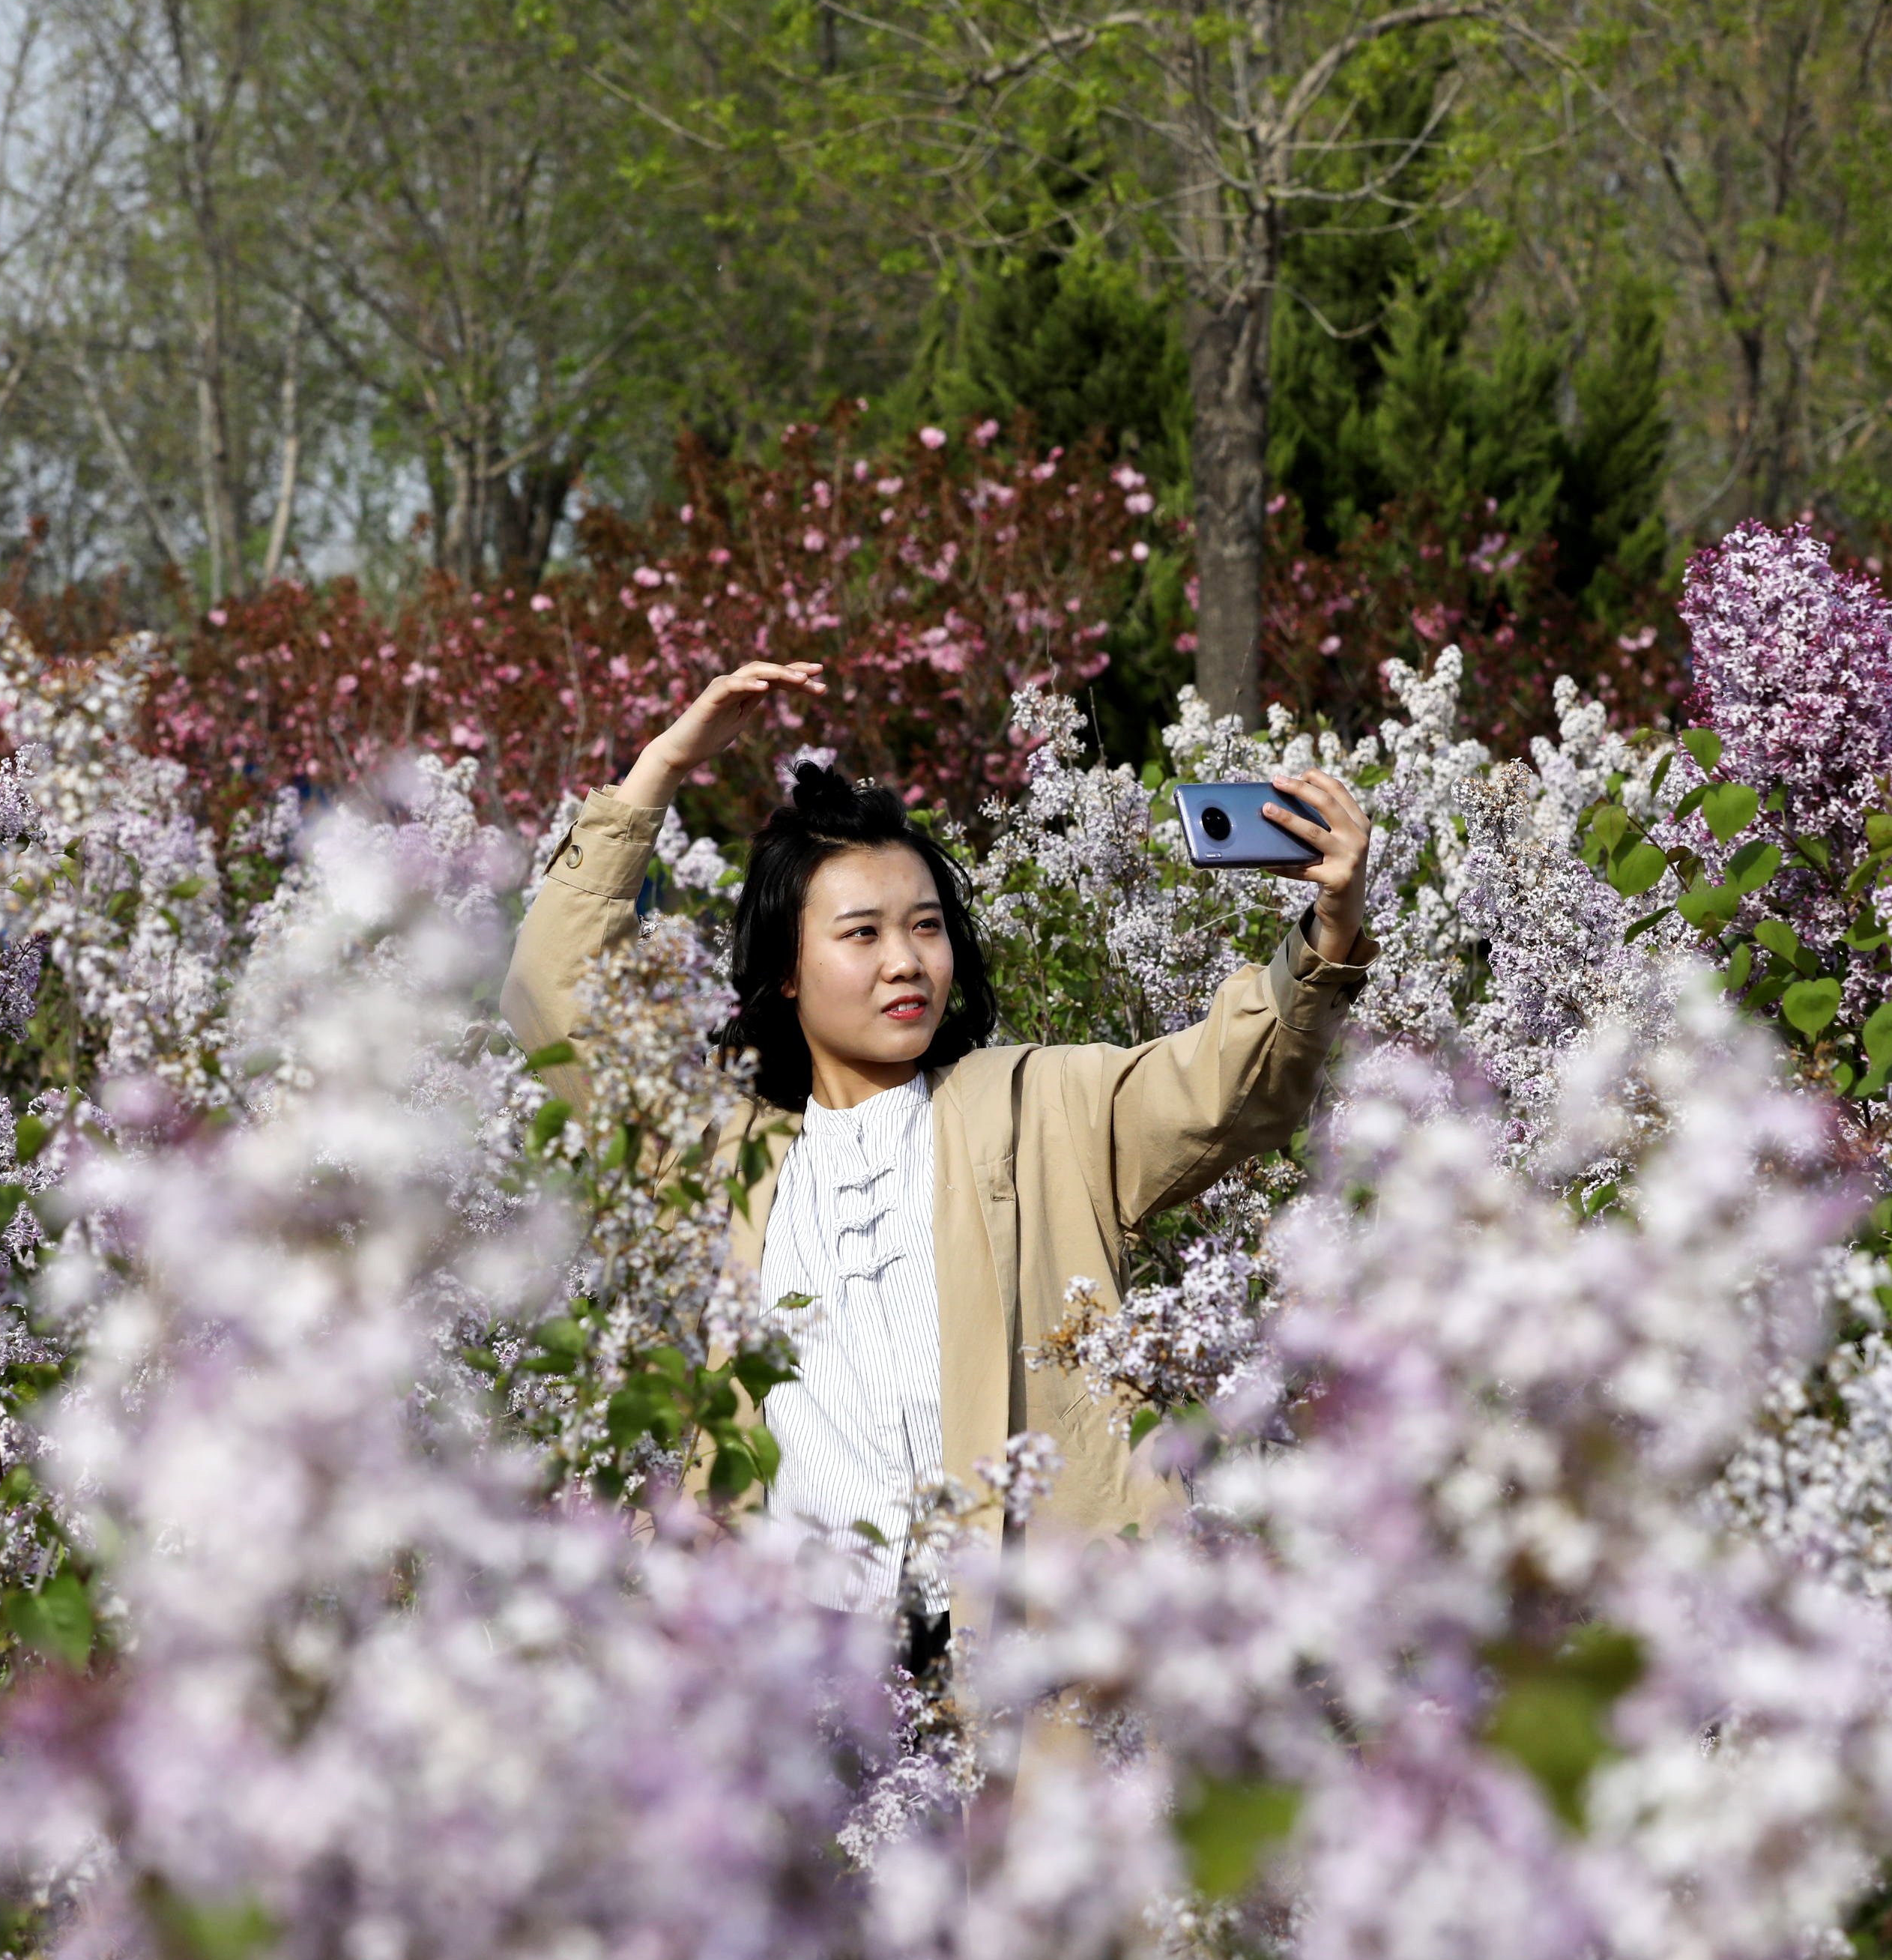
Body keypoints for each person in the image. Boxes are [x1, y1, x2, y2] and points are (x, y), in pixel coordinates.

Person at [502, 661, 1373, 1611]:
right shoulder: (720, 1152)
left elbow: (1225, 1084)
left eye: (926, 926)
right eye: (862, 934)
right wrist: (663, 768)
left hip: (1034, 1648)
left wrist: (1328, 930)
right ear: (786, 970)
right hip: (811, 1681)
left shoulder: (1039, 1105)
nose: (907, 961)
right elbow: (559, 991)